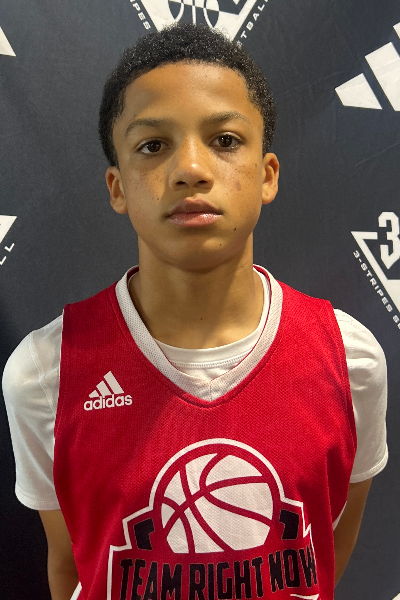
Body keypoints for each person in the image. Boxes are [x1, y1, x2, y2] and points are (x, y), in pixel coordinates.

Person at [2, 22, 387, 600]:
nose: (191, 169)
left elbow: (331, 544)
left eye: (225, 140)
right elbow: (71, 563)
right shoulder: (44, 374)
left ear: (267, 175)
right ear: (117, 187)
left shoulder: (351, 360)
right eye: (153, 146)